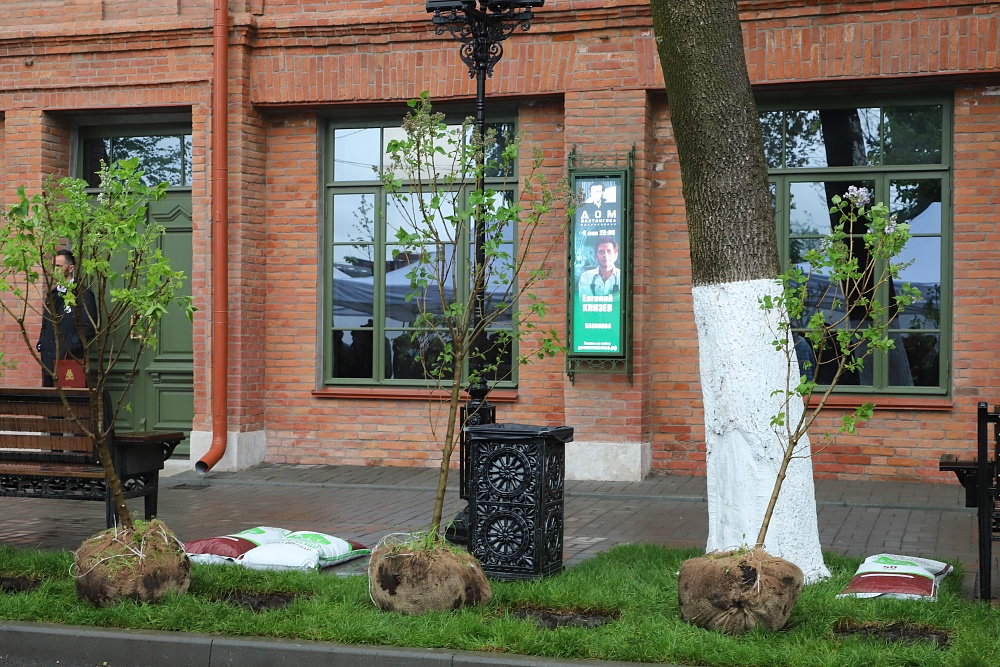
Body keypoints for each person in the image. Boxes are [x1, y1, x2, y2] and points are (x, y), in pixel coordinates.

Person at [36, 249, 97, 387]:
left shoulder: (83, 294)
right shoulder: (52, 296)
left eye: (58, 266)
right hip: (48, 363)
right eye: (53, 266)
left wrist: (68, 347)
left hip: (70, 361)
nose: (54, 270)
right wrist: (42, 344)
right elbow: (46, 324)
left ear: (70, 268)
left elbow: (89, 329)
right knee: (49, 399)